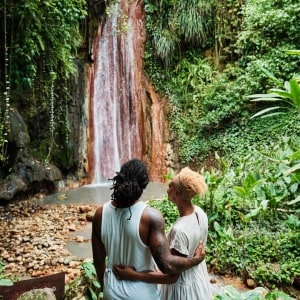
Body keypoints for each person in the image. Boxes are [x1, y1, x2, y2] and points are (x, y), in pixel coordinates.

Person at [92, 159, 206, 300]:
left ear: (120, 177)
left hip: (111, 292)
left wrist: (106, 287)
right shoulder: (150, 217)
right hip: (143, 294)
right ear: (143, 185)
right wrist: (196, 259)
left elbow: (98, 260)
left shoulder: (99, 214)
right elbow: (167, 265)